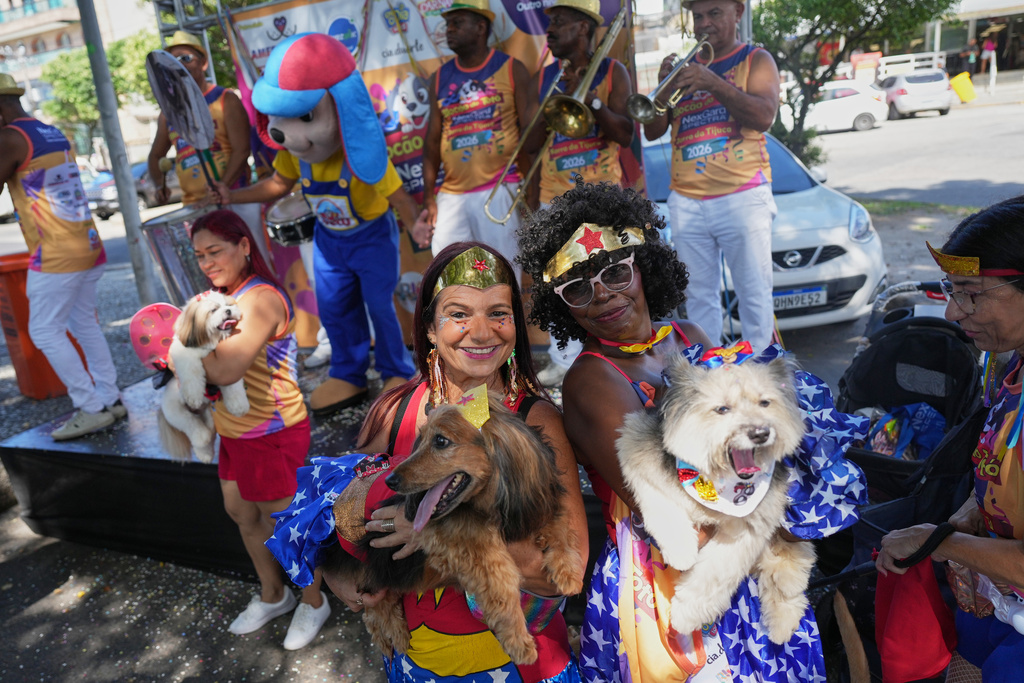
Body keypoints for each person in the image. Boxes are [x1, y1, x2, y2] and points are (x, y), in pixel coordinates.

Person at [517, 180, 868, 681]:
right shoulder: (592, 380)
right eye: (578, 288)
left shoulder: (689, 336)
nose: (604, 295)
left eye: (615, 271)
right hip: (669, 576)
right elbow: (666, 498)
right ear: (563, 307)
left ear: (643, 266)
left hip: (743, 546)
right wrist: (779, 512)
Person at [265, 242, 589, 682]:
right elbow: (339, 503)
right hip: (419, 662)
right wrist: (337, 577)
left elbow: (560, 577)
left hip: (519, 664)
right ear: (430, 329)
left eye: (499, 313)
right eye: (458, 314)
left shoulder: (536, 420)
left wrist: (437, 534)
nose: (481, 331)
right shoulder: (395, 408)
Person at [218, 33, 428, 416]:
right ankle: (348, 373)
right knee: (335, 307)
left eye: (305, 117)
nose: (287, 134)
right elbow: (278, 185)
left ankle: (396, 372)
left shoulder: (359, 154)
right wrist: (233, 196)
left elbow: (397, 195)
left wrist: (414, 225)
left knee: (380, 305)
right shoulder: (298, 156)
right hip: (330, 240)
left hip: (371, 238)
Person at [877, 196, 1024, 683]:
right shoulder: (1011, 367)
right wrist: (965, 521)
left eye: (971, 293)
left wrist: (939, 540)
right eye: (950, 290)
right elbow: (995, 473)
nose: (953, 313)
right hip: (998, 603)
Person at [185, 209, 330, 650]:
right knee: (242, 515)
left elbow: (226, 369)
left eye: (216, 251)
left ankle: (314, 601)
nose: (208, 262)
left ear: (244, 246)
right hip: (233, 431)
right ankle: (274, 595)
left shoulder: (260, 298)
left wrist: (179, 350)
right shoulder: (214, 297)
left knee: (285, 523)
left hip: (273, 430)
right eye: (199, 255)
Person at [642, 0, 780, 353]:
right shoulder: (685, 68)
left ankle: (764, 381)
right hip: (687, 198)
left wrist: (712, 82)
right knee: (699, 298)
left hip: (742, 193)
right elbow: (655, 129)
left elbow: (764, 116)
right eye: (698, 15)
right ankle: (710, 377)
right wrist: (662, 87)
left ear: (738, 12)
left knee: (754, 295)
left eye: (714, 13)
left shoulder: (755, 59)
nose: (704, 22)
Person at [0, 73, 124, 440]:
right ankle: (110, 398)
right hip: (87, 242)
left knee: (43, 329)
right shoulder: (50, 131)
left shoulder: (10, 138)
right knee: (83, 324)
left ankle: (90, 407)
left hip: (55, 251)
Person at [527, 0, 635, 388]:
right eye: (549, 23)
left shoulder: (612, 70)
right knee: (560, 282)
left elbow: (625, 134)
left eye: (559, 23)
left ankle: (617, 354)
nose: (550, 30)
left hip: (603, 194)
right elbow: (531, 143)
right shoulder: (543, 78)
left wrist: (589, 100)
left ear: (584, 29)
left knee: (613, 276)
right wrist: (553, 104)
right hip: (555, 194)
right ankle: (564, 359)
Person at [422, 0, 531, 265]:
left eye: (457, 23)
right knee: (449, 276)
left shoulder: (512, 68)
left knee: (503, 276)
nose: (449, 29)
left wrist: (529, 191)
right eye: (448, 24)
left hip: (500, 191)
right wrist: (429, 198)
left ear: (481, 26)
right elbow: (432, 142)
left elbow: (529, 136)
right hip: (451, 196)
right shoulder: (439, 77)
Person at [147, 31, 251, 210]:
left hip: (234, 198)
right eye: (172, 62)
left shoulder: (226, 99)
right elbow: (156, 156)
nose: (180, 66)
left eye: (186, 58)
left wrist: (220, 191)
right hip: (194, 205)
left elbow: (241, 150)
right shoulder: (168, 114)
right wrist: (159, 185)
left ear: (204, 63)